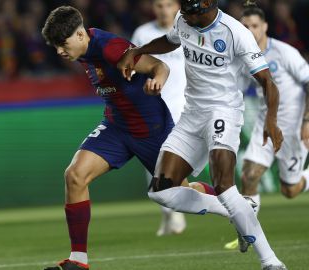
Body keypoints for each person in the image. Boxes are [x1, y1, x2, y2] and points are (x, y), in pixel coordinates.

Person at [41, 6, 231, 270]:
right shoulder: (82, 52)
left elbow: (158, 65)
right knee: (75, 175)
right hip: (116, 128)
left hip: (151, 130)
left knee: (182, 192)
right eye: (55, 46)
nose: (60, 51)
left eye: (63, 44)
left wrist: (158, 81)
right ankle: (78, 261)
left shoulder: (110, 47)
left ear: (81, 35)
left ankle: (235, 203)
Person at [117, 0, 287, 269]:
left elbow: (266, 80)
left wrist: (272, 121)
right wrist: (139, 50)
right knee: (160, 191)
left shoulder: (235, 32)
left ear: (207, 6)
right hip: (191, 114)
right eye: (182, 11)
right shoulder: (185, 20)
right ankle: (239, 209)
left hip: (223, 112)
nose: (183, 16)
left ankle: (271, 262)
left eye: (189, 12)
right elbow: (171, 40)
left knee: (223, 185)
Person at [224, 1, 309, 251]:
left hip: (293, 128)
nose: (249, 30)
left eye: (254, 25)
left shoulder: (284, 52)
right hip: (265, 123)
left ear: (265, 27)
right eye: (245, 26)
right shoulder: (243, 57)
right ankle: (248, 233)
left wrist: (307, 121)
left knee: (290, 190)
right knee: (249, 175)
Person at [131, 0, 188, 237]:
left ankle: (177, 211)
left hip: (184, 109)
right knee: (152, 165)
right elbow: (132, 66)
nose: (163, 9)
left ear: (177, 7)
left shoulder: (187, 30)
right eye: (158, 5)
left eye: (167, 4)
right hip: (153, 109)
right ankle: (168, 213)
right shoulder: (143, 33)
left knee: (173, 162)